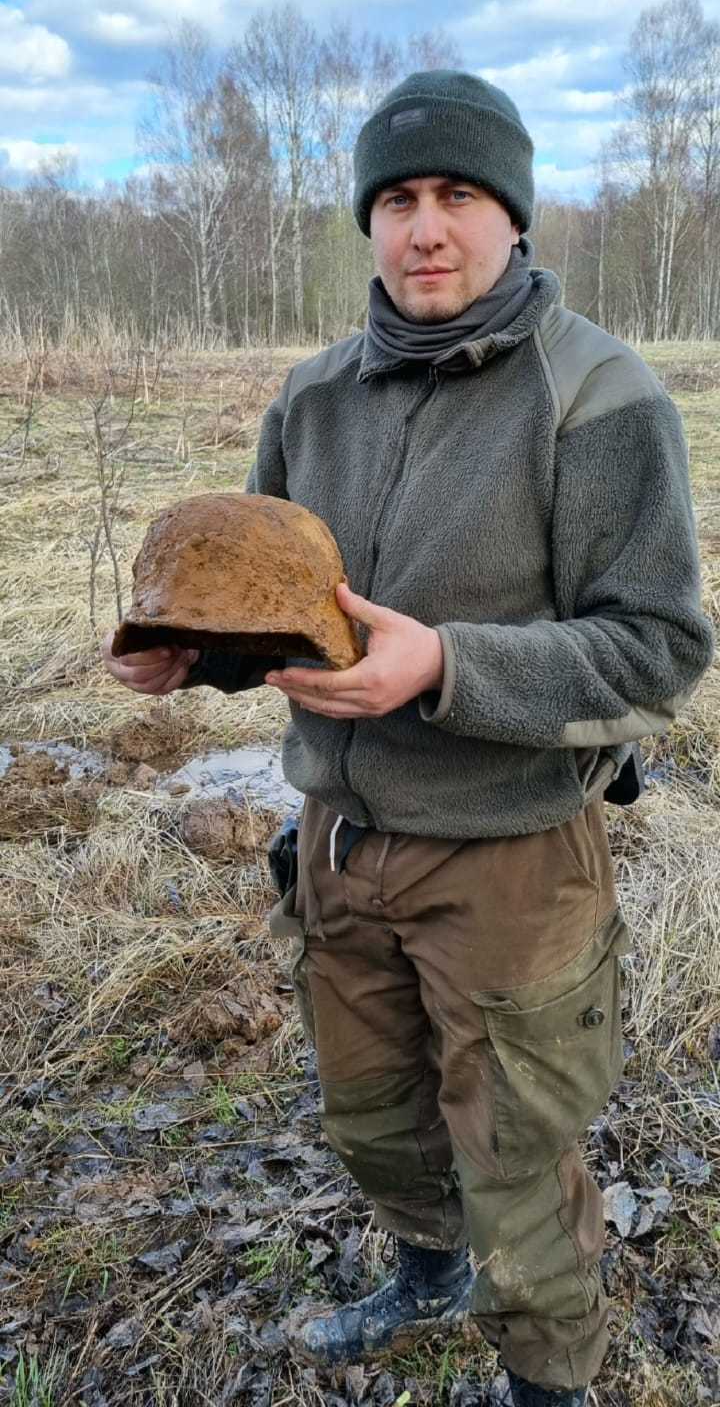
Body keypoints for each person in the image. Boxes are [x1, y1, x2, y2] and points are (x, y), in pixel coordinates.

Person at [103, 71, 714, 1405]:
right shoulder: (313, 400)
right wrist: (189, 658)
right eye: (396, 200)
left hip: (510, 859)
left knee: (515, 1158)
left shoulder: (598, 399)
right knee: (377, 1117)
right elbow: (275, 611)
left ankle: (550, 1381)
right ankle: (426, 1274)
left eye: (457, 197)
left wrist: (445, 665)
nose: (424, 228)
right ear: (369, 223)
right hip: (336, 844)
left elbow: (661, 651)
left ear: (513, 217)